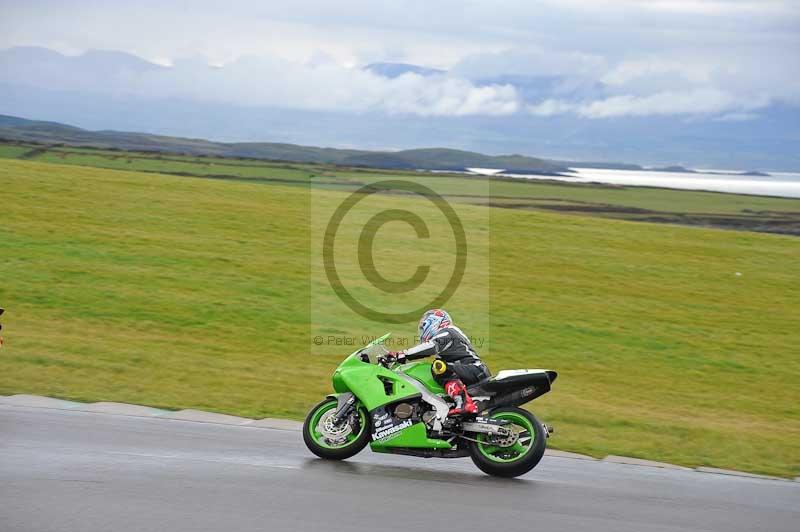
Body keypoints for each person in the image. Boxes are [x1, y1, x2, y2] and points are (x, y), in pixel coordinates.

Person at [386, 309, 489, 416]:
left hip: (474, 369)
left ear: (434, 322)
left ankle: (464, 403)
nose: (422, 331)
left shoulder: (448, 331)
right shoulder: (448, 333)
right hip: (470, 370)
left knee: (438, 366)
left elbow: (432, 346)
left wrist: (402, 354)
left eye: (423, 327)